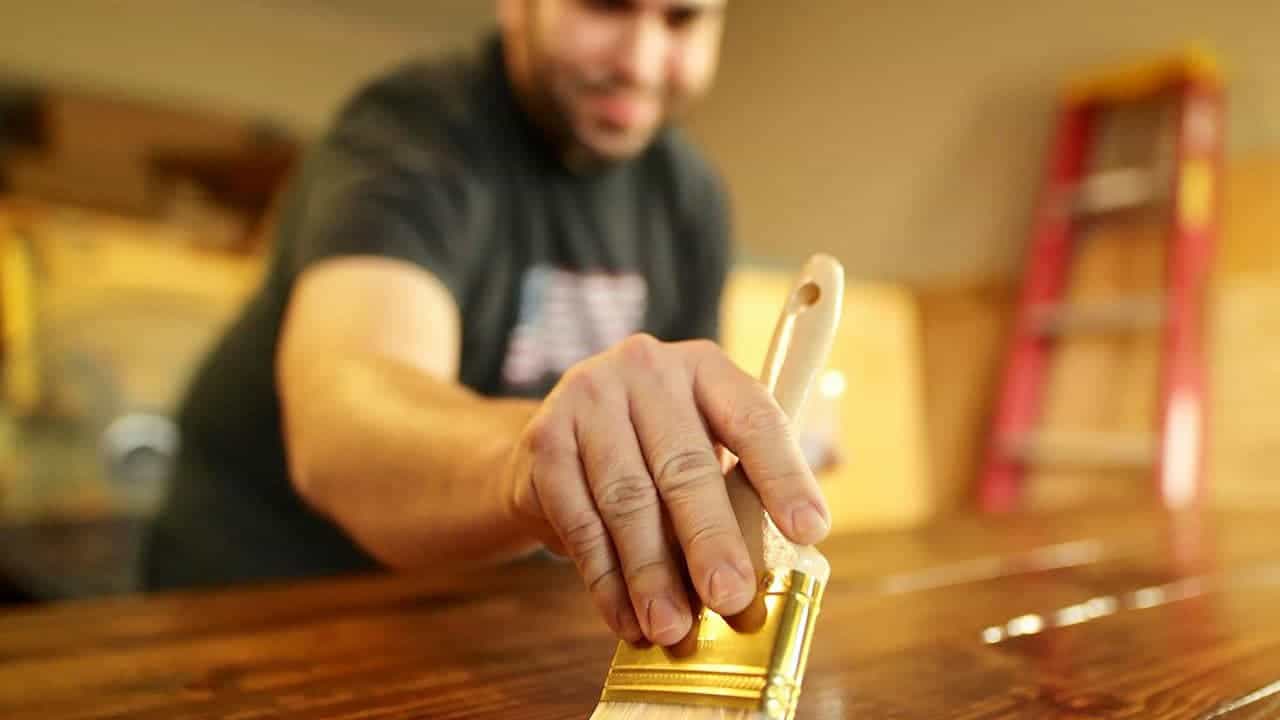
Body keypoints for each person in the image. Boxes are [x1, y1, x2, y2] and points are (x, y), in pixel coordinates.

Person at [142, 0, 831, 649]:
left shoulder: (690, 198)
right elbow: (341, 422)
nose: (642, 62)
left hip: (483, 624)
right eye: (605, 5)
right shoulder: (409, 133)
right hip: (260, 610)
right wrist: (538, 460)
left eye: (682, 19)